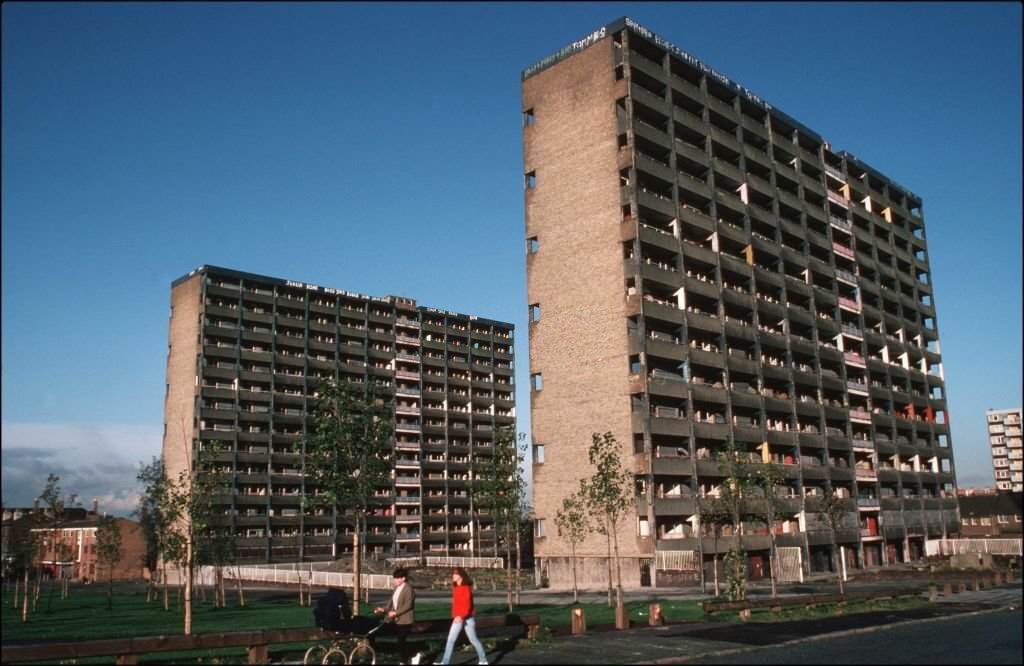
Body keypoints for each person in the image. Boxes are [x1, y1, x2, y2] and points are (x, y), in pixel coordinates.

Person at [436, 567, 487, 665]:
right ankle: (445, 662)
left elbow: (467, 606)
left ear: (461, 576)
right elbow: (457, 604)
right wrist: (455, 615)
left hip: (465, 618)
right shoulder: (456, 588)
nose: (453, 576)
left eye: (455, 574)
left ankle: (483, 660)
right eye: (453, 574)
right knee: (457, 639)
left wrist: (460, 616)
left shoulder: (466, 588)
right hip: (459, 618)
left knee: (468, 640)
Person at [374, 568, 416, 665]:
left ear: (403, 579)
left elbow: (408, 606)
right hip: (396, 619)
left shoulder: (409, 589)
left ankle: (404, 660)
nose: (395, 580)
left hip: (406, 620)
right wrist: (383, 609)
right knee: (399, 641)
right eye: (394, 578)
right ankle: (409, 656)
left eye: (397, 578)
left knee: (401, 641)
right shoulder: (396, 588)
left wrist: (395, 613)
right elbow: (391, 602)